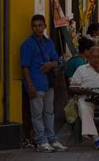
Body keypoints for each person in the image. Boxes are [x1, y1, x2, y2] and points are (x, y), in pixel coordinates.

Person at [20, 14, 67, 152]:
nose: (37, 28)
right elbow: (25, 67)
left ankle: (52, 139)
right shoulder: (27, 44)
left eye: (40, 25)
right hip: (36, 83)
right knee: (37, 114)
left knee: (49, 113)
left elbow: (57, 60)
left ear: (45, 26)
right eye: (34, 26)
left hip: (48, 83)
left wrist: (50, 65)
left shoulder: (49, 43)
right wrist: (30, 85)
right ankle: (41, 141)